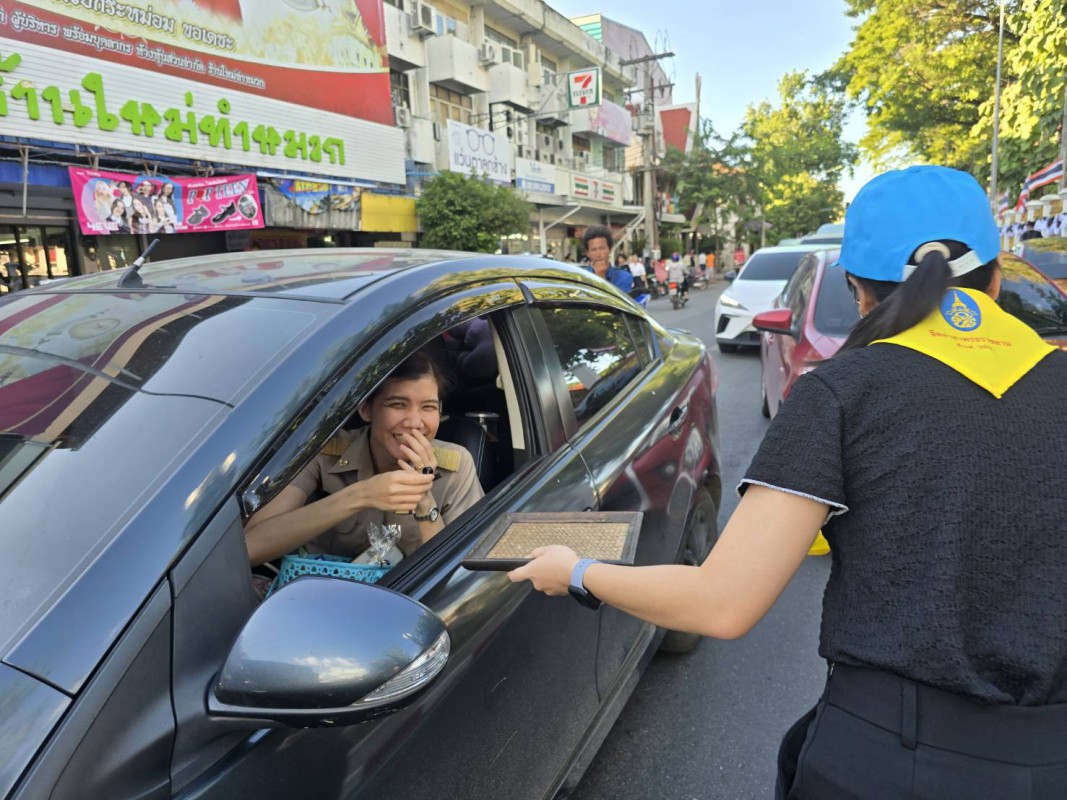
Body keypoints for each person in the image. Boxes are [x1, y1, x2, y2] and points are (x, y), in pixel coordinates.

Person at [510, 165, 1067, 799]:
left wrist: (575, 571)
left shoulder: (842, 393)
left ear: (859, 290)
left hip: (887, 762)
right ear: (996, 280)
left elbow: (720, 603)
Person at [245, 351, 484, 566]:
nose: (414, 422)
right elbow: (251, 548)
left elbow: (460, 577)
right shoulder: (325, 453)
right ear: (366, 409)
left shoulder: (456, 464)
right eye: (398, 404)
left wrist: (424, 502)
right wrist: (362, 495)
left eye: (428, 407)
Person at [581, 225, 633, 293]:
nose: (598, 254)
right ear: (588, 253)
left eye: (602, 248)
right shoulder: (581, 276)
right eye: (593, 250)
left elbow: (614, 303)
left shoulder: (624, 277)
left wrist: (601, 277)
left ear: (610, 249)